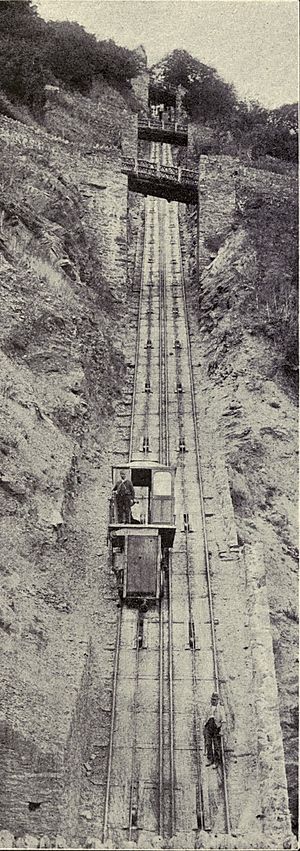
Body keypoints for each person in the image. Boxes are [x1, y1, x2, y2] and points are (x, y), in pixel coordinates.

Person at [203, 691, 226, 767]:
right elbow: (204, 718)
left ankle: (217, 761)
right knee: (208, 744)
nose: (213, 701)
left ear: (218, 700)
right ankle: (210, 759)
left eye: (215, 699)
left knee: (216, 746)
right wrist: (204, 727)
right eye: (212, 699)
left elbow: (223, 721)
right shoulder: (208, 707)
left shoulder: (221, 709)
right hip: (208, 727)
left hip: (216, 728)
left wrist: (222, 730)